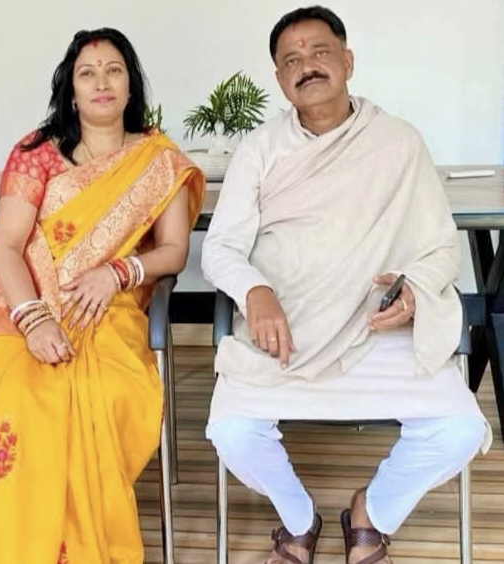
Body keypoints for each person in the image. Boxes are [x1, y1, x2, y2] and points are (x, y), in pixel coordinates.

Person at [202, 6, 491, 564]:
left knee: (458, 429)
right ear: (279, 79)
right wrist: (255, 292)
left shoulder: (399, 142)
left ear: (348, 61)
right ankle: (298, 520)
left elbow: (440, 249)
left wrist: (413, 291)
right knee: (232, 431)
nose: (306, 66)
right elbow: (221, 247)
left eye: (319, 52)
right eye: (291, 60)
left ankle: (370, 513)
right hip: (287, 330)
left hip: (375, 329)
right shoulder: (259, 149)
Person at [0, 27, 204, 564]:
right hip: (24, 307)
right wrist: (34, 320)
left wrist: (119, 272)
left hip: (110, 310)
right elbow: (7, 247)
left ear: (130, 85)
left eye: (114, 70)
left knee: (103, 392)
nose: (102, 82)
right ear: (71, 90)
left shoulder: (158, 160)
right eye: (87, 73)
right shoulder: (36, 155)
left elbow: (173, 251)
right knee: (9, 391)